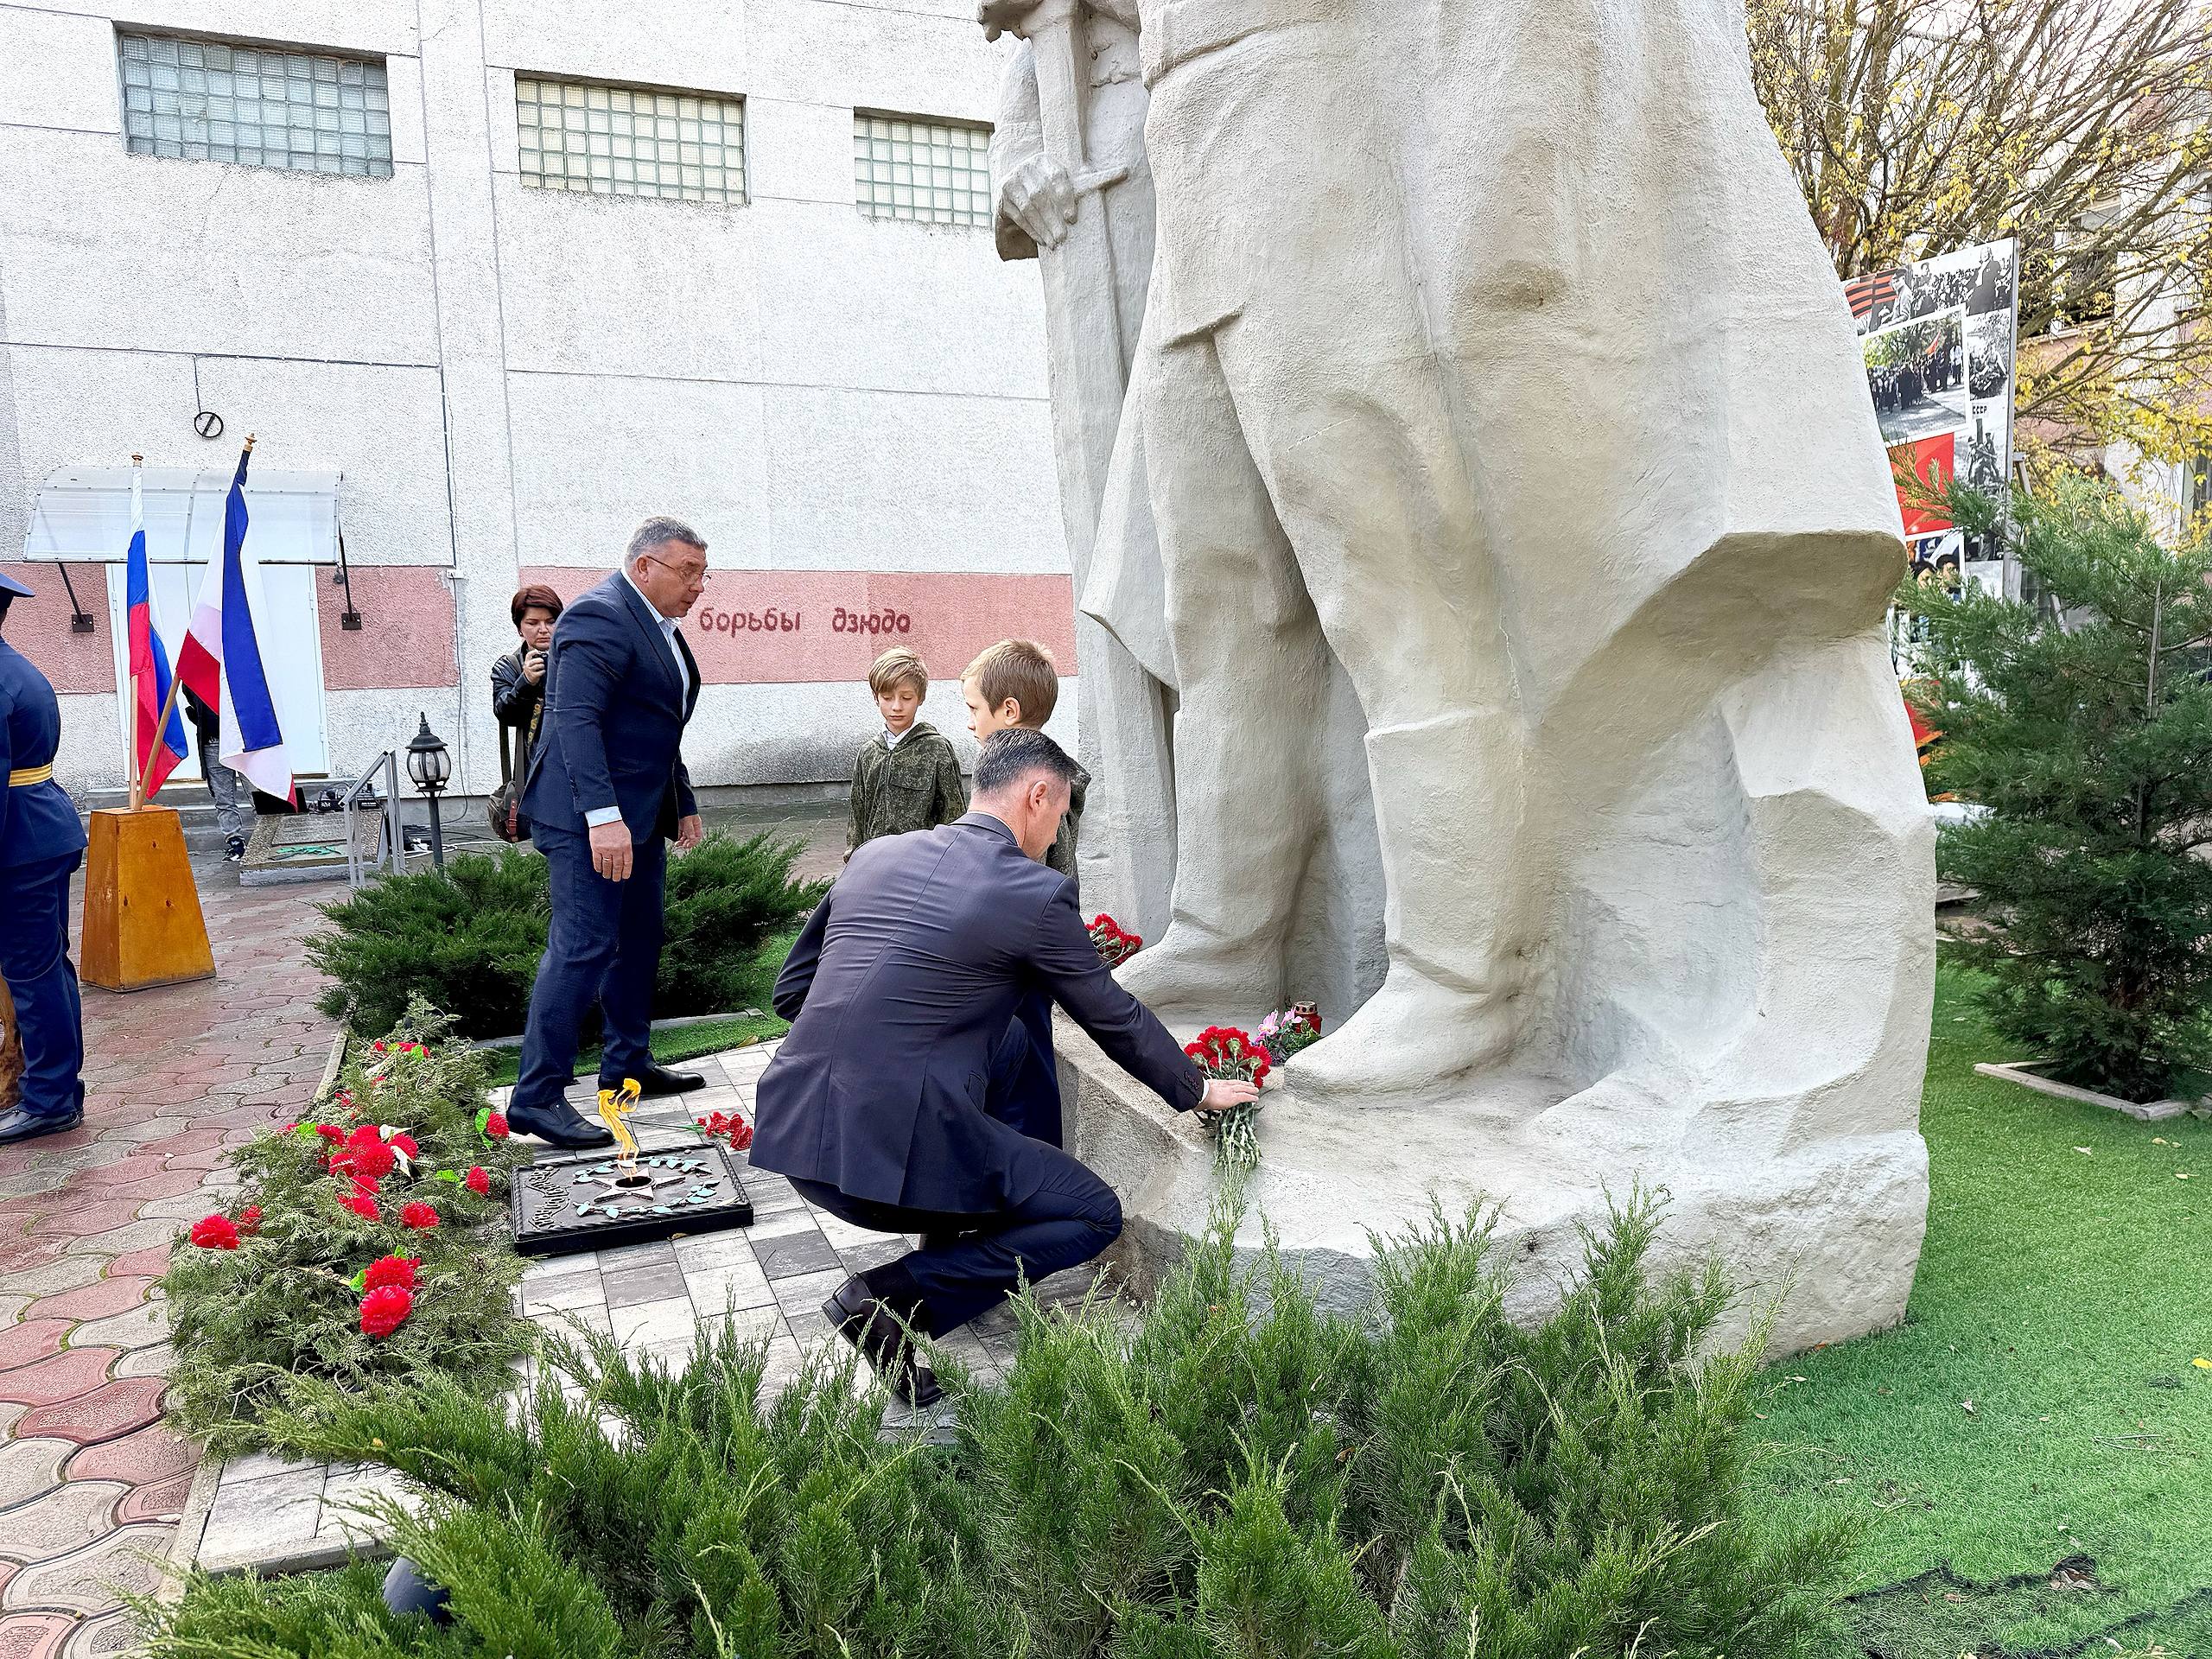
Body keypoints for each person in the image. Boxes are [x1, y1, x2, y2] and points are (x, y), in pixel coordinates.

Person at [748, 728, 1259, 1404]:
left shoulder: (877, 856)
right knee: (1090, 1213)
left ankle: (965, 1233)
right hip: (883, 1168)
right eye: (1060, 814)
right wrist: (1197, 1090)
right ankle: (890, 1301)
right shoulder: (1033, 893)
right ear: (1037, 794)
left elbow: (792, 993)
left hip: (793, 1133)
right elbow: (1111, 1015)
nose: (1054, 835)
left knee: (1016, 1039)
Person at [510, 518, 710, 1148]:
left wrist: (683, 801)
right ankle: (536, 1098)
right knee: (583, 945)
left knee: (639, 937)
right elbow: (576, 723)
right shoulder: (599, 617)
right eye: (690, 573)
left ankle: (627, 1066)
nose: (700, 587)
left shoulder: (659, 627)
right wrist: (603, 818)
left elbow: (657, 726)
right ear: (646, 566)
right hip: (585, 819)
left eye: (705, 574)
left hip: (642, 815)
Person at [961, 638, 1084, 1146]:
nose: (969, 722)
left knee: (1024, 1096)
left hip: (1019, 955)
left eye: (973, 708)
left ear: (1008, 712)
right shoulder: (1002, 773)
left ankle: (1032, 1188)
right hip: (995, 955)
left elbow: (1044, 872)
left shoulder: (1049, 785)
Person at [0, 570, 89, 1146]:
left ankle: (50, 1099)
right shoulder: (13, 668)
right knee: (48, 970)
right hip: (39, 833)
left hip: (19, 845)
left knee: (33, 974)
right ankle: (55, 1091)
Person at [845, 647, 965, 858]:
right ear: (876, 697)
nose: (897, 707)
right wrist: (854, 857)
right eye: (887, 698)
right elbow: (858, 812)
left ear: (920, 698)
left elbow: (953, 815)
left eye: (906, 698)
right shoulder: (868, 754)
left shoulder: (937, 749)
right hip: (874, 861)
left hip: (920, 864)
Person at [492, 583, 563, 781]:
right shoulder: (510, 666)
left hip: (575, 764)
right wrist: (526, 682)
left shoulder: (576, 659)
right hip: (535, 772)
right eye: (532, 623)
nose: (543, 630)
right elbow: (505, 715)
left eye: (551, 621)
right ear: (519, 628)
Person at [182, 688, 249, 861]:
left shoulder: (236, 667)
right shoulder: (195, 672)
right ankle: (235, 842)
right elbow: (191, 698)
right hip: (213, 742)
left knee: (258, 790)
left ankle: (268, 837)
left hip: (243, 740)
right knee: (223, 797)